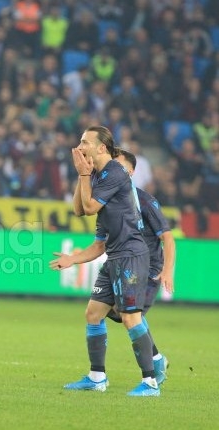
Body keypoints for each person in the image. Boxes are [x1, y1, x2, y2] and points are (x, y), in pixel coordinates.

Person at [49, 126, 159, 396]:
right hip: (114, 256)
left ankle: (150, 382)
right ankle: (97, 377)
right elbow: (79, 211)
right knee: (93, 313)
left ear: (101, 148)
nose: (80, 145)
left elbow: (88, 208)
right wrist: (74, 259)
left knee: (131, 318)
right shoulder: (98, 177)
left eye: (85, 141)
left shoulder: (114, 172)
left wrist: (85, 174)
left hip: (131, 256)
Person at [103, 149, 175, 384]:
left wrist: (167, 270)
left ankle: (151, 374)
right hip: (126, 262)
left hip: (149, 267)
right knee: (119, 314)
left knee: (130, 316)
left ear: (131, 172)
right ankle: (156, 357)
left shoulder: (144, 200)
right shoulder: (112, 200)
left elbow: (168, 237)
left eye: (121, 167)